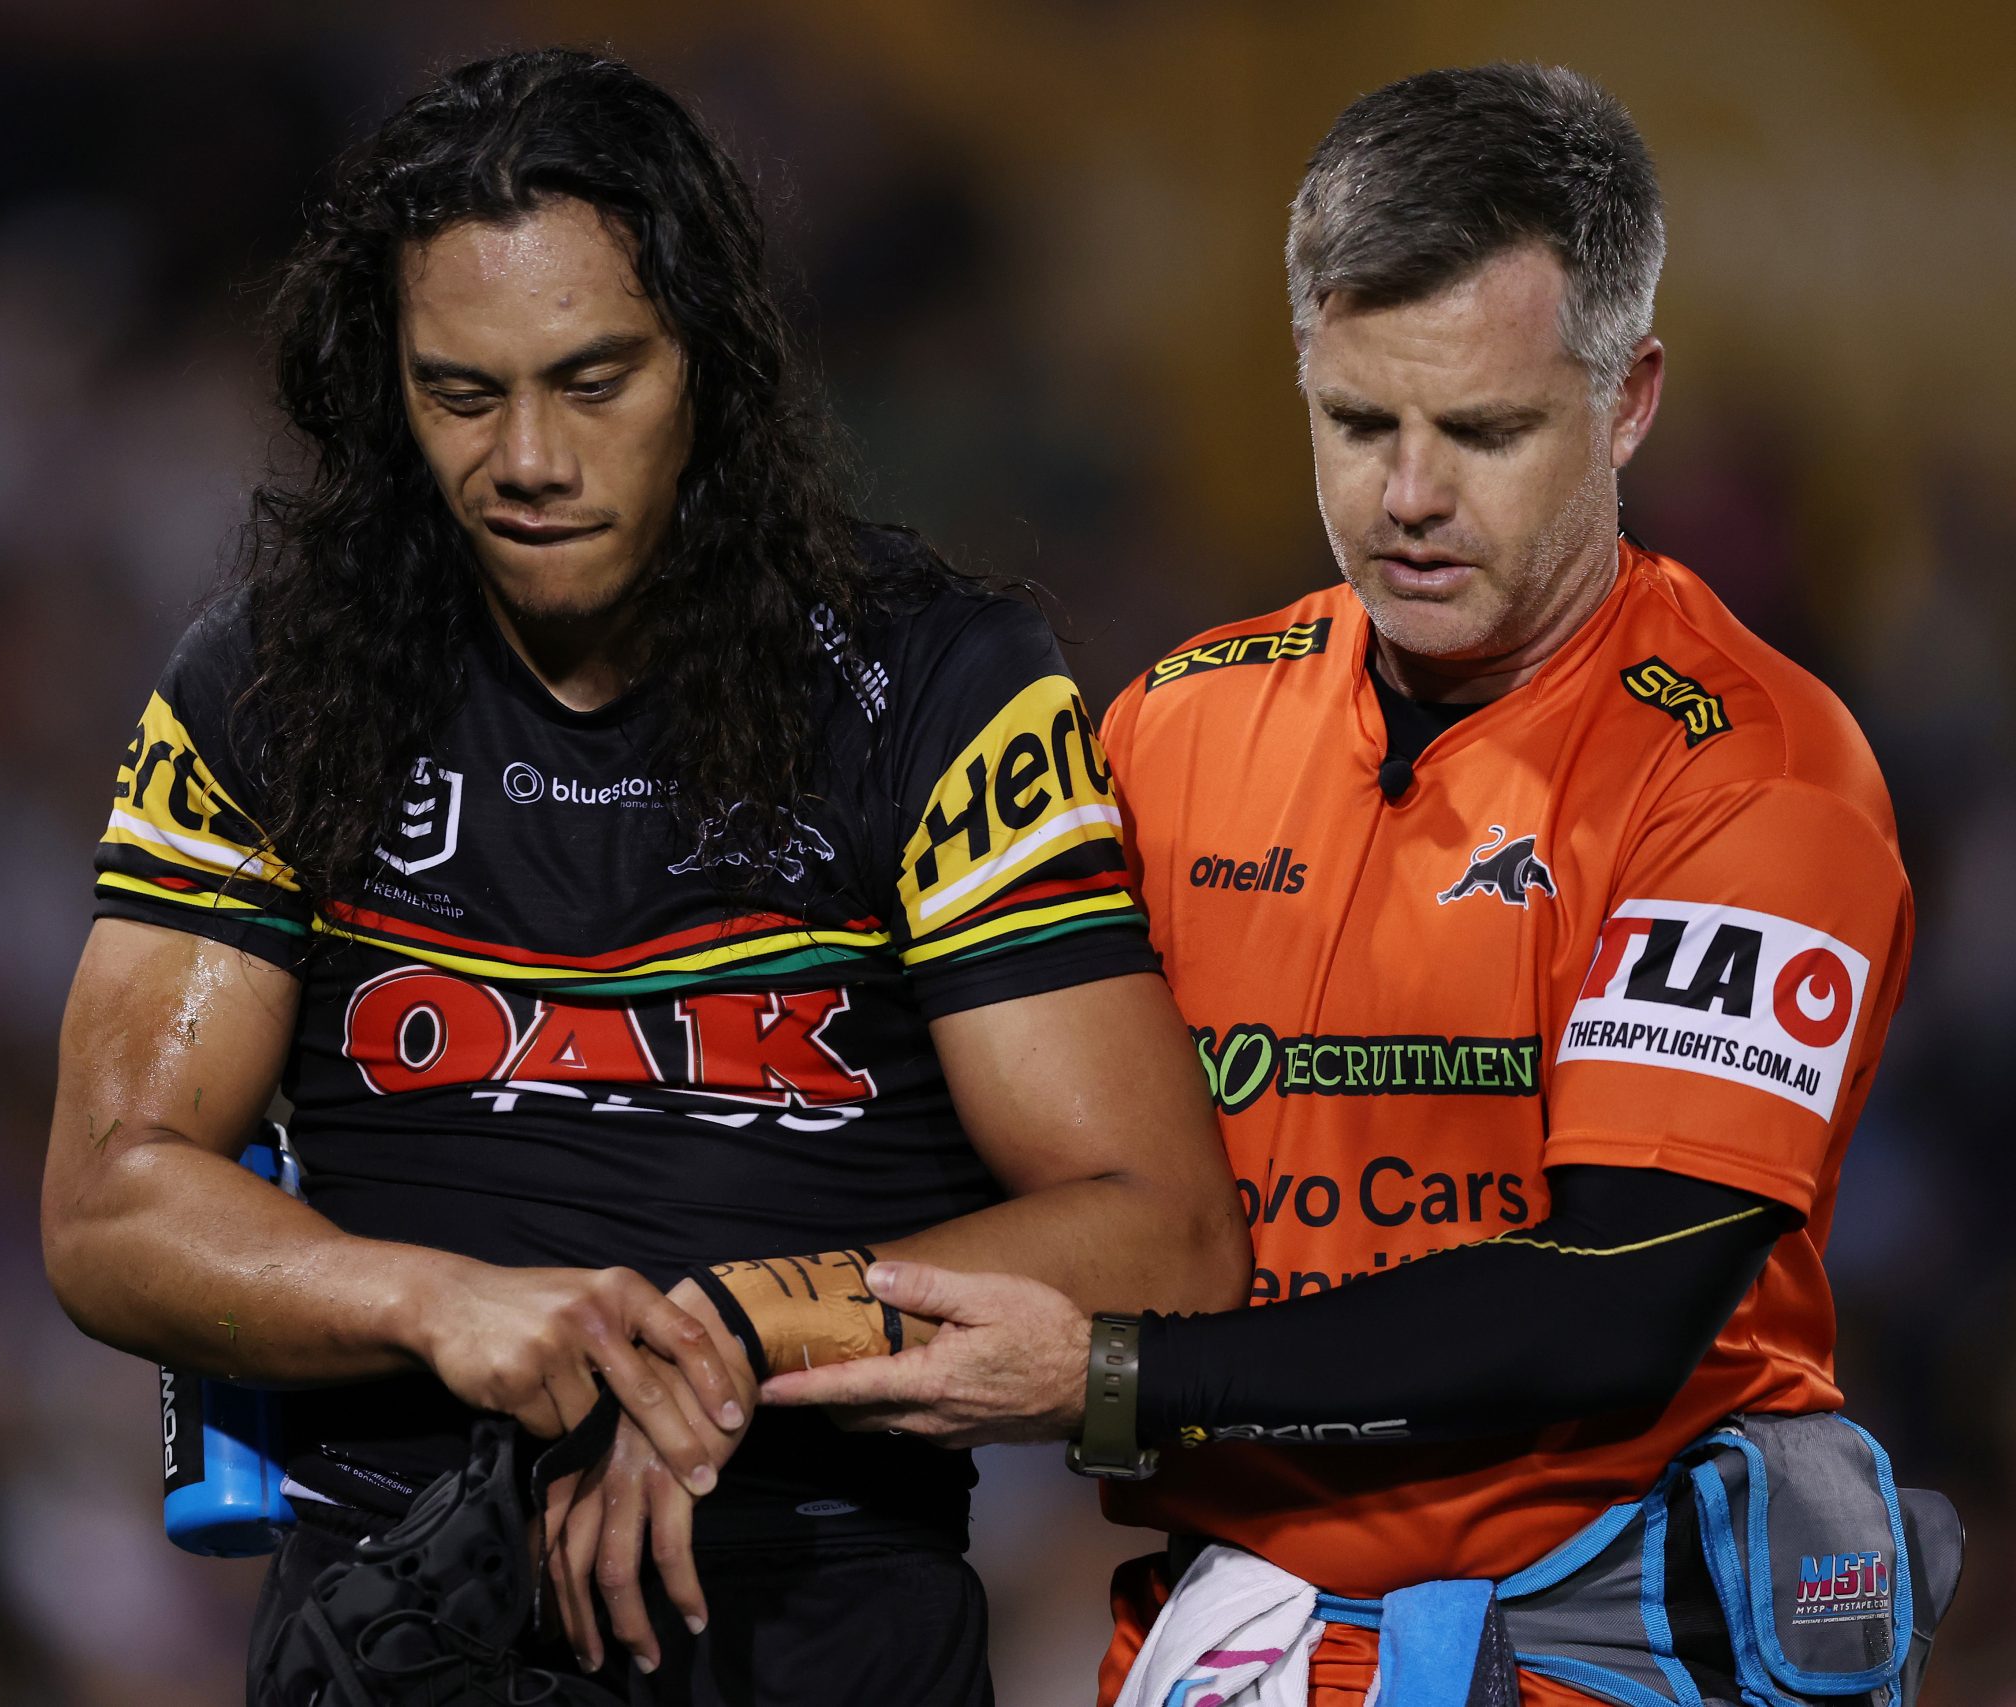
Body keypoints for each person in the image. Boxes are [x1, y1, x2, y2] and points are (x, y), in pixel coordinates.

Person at [37, 47, 1249, 1707]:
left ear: (712, 370)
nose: (528, 457)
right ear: (386, 387)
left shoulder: (942, 691)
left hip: (821, 1617)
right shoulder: (272, 686)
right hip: (407, 1618)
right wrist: (439, 1305)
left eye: (594, 380)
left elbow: (1162, 1234)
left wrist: (736, 1337)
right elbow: (110, 1198)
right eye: (462, 392)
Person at [762, 64, 1932, 1706]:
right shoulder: (1172, 725)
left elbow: (1615, 1301)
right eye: (1358, 419)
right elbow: (931, 1136)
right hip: (1223, 1640)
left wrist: (1119, 1378)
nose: (1408, 496)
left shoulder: (1755, 772)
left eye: (1485, 429)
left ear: (1631, 399)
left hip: (1605, 1664)